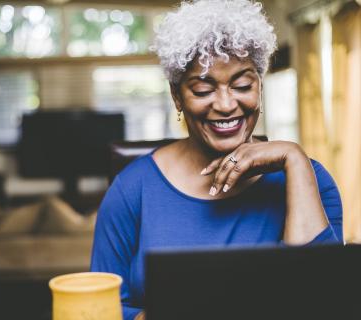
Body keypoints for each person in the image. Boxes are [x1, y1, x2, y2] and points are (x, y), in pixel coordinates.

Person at [90, 1, 343, 319]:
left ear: (260, 88)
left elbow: (324, 302)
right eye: (202, 89)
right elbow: (100, 310)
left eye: (242, 85)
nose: (225, 105)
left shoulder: (309, 180)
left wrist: (294, 158)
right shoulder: (132, 190)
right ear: (177, 96)